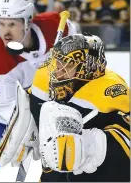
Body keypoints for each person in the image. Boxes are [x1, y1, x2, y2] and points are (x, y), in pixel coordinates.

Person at [0, 0, 77, 181]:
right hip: (14, 116)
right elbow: (6, 108)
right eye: (1, 24)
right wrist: (39, 125)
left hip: (64, 100)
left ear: (28, 21)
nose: (5, 32)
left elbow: (81, 49)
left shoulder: (55, 25)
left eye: (12, 24)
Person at [27, 33, 130, 182]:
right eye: (57, 63)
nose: (57, 72)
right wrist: (28, 111)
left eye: (67, 65)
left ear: (88, 67)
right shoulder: (55, 85)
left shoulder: (111, 93)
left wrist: (93, 147)